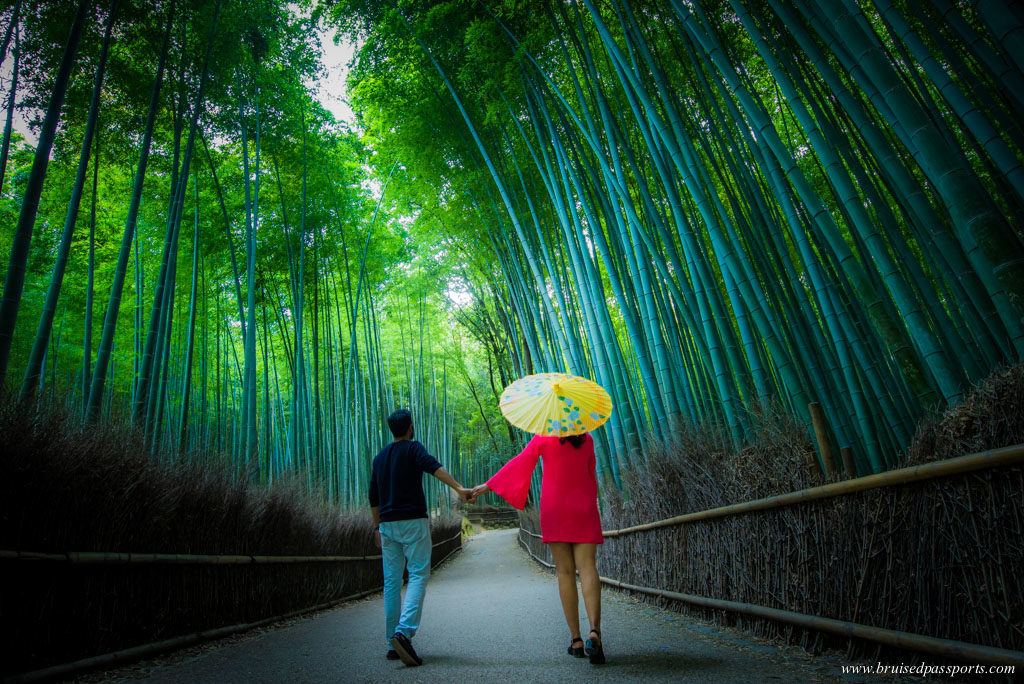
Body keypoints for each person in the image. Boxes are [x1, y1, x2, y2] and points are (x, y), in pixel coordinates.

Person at [471, 432, 606, 665]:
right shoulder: (588, 439)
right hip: (583, 505)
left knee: (564, 572)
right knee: (587, 567)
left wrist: (485, 487)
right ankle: (595, 632)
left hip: (555, 508)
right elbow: (590, 474)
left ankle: (576, 641)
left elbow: (519, 464)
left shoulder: (543, 438)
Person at [369, 408, 472, 667]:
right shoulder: (414, 449)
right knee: (417, 575)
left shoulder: (379, 457)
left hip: (387, 526)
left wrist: (375, 528)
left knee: (392, 582)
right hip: (413, 521)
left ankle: (392, 640)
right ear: (410, 427)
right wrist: (458, 488)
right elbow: (434, 467)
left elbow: (373, 497)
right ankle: (404, 633)